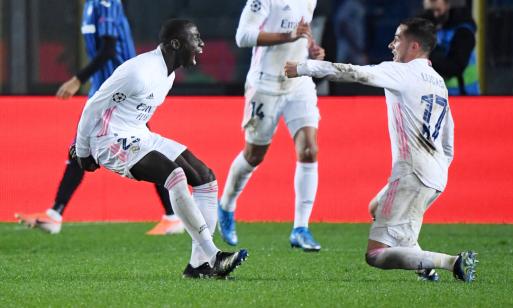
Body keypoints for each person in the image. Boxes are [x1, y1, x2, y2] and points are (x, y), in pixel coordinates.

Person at [284, 17, 478, 282]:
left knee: (375, 255)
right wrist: (439, 169)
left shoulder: (402, 72)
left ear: (414, 46)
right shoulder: (437, 81)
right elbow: (448, 139)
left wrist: (304, 67)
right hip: (435, 174)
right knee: (377, 207)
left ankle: (453, 262)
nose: (391, 44)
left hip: (413, 173)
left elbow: (353, 72)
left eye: (397, 38)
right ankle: (425, 266)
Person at [71, 19, 248, 279]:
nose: (201, 44)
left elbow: (132, 116)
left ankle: (199, 266)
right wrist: (84, 151)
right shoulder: (138, 72)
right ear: (176, 44)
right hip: (107, 139)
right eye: (195, 38)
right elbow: (93, 106)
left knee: (205, 177)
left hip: (139, 134)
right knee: (174, 176)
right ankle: (214, 256)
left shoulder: (169, 74)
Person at [15, 0, 183, 236]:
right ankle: (55, 214)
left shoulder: (106, 3)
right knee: (82, 147)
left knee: (136, 147)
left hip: (121, 89)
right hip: (105, 88)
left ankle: (174, 214)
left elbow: (109, 50)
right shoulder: (92, 5)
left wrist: (77, 79)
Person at [217, 0, 325, 252]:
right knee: (254, 155)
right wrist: (289, 36)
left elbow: (303, 34)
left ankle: (301, 228)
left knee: (310, 149)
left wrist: (311, 49)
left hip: (298, 81)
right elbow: (243, 36)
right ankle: (227, 206)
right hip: (265, 85)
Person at [421, 0, 480, 95]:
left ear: (447, 4)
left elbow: (455, 66)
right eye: (430, 11)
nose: (435, 15)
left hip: (463, 96)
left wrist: (425, 59)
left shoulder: (463, 31)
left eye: (438, 10)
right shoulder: (427, 26)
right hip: (437, 97)